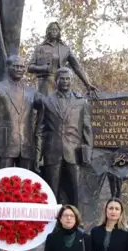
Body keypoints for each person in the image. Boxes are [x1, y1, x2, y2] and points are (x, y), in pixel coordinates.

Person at [37, 67, 92, 207]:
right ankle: (52, 223)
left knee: (76, 190)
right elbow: (40, 130)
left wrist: (88, 153)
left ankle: (77, 221)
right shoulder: (47, 101)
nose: (65, 81)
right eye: (62, 79)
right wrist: (39, 155)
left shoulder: (81, 102)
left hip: (74, 151)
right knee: (51, 191)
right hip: (52, 152)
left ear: (71, 80)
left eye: (68, 79)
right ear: (56, 80)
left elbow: (87, 128)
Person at [0, 55, 42, 170]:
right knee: (3, 183)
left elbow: (47, 105)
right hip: (4, 144)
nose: (19, 69)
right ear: (8, 67)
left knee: (26, 185)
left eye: (22, 67)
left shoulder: (31, 92)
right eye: (16, 66)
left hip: (26, 145)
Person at [27, 22, 97, 96]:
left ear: (59, 32)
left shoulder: (65, 48)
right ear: (48, 31)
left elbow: (77, 67)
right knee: (45, 105)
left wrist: (87, 84)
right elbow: (30, 68)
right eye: (52, 29)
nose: (54, 31)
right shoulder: (40, 48)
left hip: (61, 84)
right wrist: (43, 68)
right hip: (44, 84)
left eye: (56, 29)